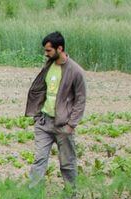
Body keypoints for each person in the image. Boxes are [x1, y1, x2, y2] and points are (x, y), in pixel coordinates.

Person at [24, 31, 86, 190]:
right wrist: (37, 116)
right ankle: (32, 193)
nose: (45, 54)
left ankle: (71, 193)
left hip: (63, 125)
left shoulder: (75, 71)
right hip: (44, 122)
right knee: (39, 159)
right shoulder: (48, 66)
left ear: (60, 49)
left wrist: (71, 125)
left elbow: (80, 100)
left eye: (48, 50)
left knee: (67, 162)